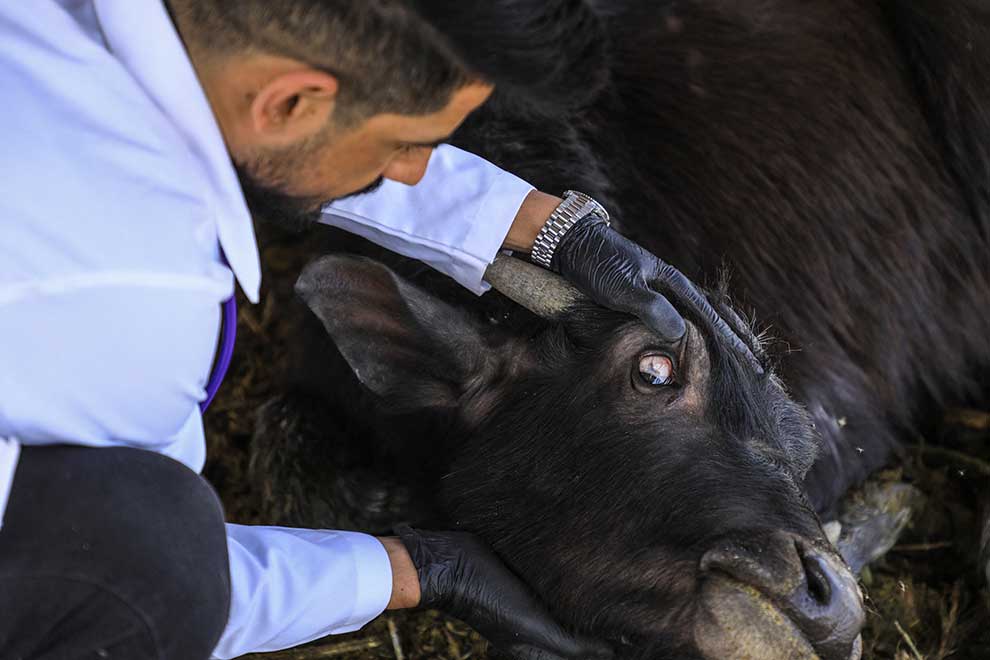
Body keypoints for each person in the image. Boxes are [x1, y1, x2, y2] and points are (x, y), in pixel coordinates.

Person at [0, 1, 740, 659]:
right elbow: (138, 575)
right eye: (406, 146)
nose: (415, 173)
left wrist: (538, 228)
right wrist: (408, 570)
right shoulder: (132, 317)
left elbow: (280, 145)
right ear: (290, 101)